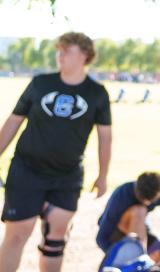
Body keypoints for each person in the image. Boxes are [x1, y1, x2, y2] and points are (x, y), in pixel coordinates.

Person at [0, 32, 112, 272]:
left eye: (66, 50)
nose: (59, 55)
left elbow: (105, 138)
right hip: (26, 170)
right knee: (18, 234)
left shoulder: (97, 93)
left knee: (55, 239)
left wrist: (103, 176)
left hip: (67, 175)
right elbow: (13, 121)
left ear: (84, 55)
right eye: (58, 50)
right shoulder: (41, 84)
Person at [95, 171, 160, 263]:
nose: (146, 203)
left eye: (149, 201)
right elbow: (101, 238)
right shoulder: (122, 193)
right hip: (117, 232)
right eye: (142, 199)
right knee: (139, 211)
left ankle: (141, 259)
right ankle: (138, 259)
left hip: (141, 231)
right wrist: (117, 256)